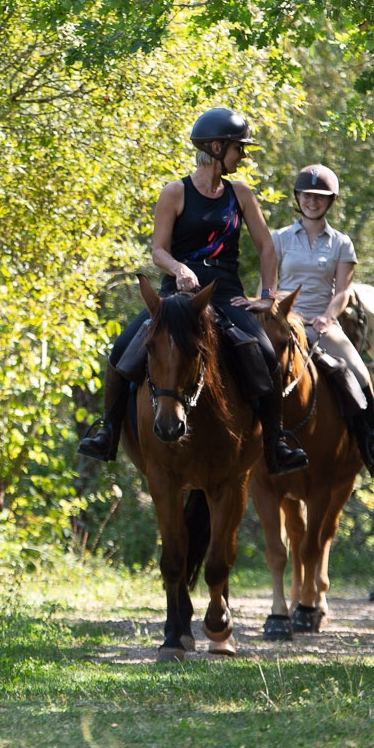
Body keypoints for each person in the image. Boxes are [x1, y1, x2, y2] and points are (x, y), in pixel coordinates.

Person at [76, 108, 310, 474]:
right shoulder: (175, 192)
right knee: (123, 349)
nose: (242, 156)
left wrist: (267, 294)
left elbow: (266, 247)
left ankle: (275, 442)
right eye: (238, 149)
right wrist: (178, 268)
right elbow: (158, 250)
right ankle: (107, 431)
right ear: (216, 148)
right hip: (176, 296)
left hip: (226, 292)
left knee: (265, 352)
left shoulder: (241, 193)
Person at [270, 165, 374, 474]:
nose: (312, 202)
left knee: (359, 373)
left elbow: (343, 291)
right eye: (306, 195)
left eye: (319, 197)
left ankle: (371, 446)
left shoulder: (341, 243)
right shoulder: (279, 239)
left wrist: (328, 318)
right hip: (284, 324)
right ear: (297, 197)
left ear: (330, 201)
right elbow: (270, 287)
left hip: (321, 323)